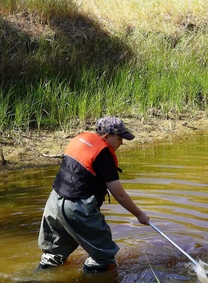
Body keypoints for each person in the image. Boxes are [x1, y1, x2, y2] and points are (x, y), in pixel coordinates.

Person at [38, 116, 150, 273]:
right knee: (103, 258)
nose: (121, 143)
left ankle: (43, 282)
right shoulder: (103, 155)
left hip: (54, 202)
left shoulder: (79, 139)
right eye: (119, 139)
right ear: (106, 136)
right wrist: (140, 215)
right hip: (77, 208)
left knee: (53, 255)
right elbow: (120, 195)